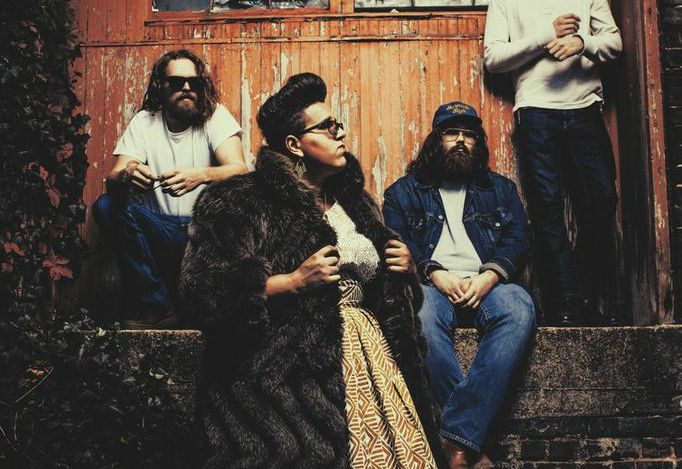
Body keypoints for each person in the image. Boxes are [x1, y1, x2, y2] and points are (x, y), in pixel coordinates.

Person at [179, 73, 446, 468]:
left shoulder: (358, 204)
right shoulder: (239, 200)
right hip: (284, 382)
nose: (341, 134)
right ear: (294, 144)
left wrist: (401, 271)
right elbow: (201, 292)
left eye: (339, 125)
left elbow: (385, 297)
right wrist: (292, 282)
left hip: (371, 359)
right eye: (328, 127)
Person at [383, 101, 536, 468]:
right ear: (435, 141)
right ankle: (469, 447)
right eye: (452, 133)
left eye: (469, 135)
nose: (461, 141)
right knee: (420, 316)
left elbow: (518, 239)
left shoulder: (500, 189)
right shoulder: (403, 193)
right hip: (431, 283)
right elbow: (397, 240)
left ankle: (454, 439)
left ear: (478, 143)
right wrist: (436, 273)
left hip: (488, 283)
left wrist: (490, 276)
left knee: (519, 308)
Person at [484, 0, 623, 326]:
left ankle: (586, 294)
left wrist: (583, 43)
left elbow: (614, 42)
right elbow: (493, 58)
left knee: (603, 198)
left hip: (585, 109)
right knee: (546, 207)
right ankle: (566, 303)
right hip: (535, 111)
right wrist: (545, 35)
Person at [92, 49, 247, 329]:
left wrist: (201, 175)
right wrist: (128, 173)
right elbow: (113, 178)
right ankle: (159, 306)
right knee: (106, 205)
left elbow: (240, 170)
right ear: (160, 87)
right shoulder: (145, 122)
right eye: (176, 82)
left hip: (204, 236)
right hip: (161, 234)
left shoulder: (215, 116)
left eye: (194, 82)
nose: (187, 88)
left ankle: (199, 306)